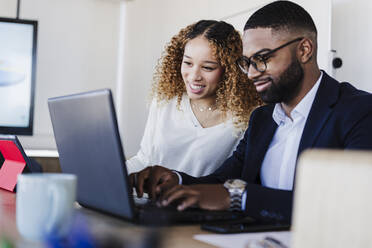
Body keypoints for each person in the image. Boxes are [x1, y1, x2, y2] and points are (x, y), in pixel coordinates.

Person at [129, 1, 372, 223]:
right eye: (247, 62)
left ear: (305, 50)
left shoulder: (358, 111)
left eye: (262, 58)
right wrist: (176, 179)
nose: (252, 73)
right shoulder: (263, 119)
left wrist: (240, 197)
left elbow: (352, 204)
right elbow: (222, 180)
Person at [126, 20, 262, 177]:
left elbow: (231, 180)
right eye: (188, 63)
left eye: (207, 67)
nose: (194, 76)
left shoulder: (245, 118)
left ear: (229, 71)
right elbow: (144, 160)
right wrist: (110, 174)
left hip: (200, 200)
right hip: (149, 199)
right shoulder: (165, 101)